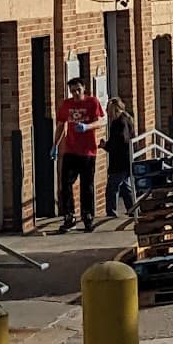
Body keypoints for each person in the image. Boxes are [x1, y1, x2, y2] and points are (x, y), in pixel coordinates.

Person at [53, 76, 106, 233]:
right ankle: (69, 217)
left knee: (86, 185)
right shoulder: (66, 105)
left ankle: (87, 216)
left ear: (84, 88)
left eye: (78, 90)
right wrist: (55, 145)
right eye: (72, 91)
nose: (75, 94)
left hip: (88, 151)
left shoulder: (92, 102)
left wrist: (87, 127)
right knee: (66, 184)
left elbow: (102, 121)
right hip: (71, 150)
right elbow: (61, 125)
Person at [102, 97, 136, 219]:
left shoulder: (118, 123)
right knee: (125, 186)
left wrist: (106, 146)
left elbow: (119, 141)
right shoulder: (127, 118)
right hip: (127, 158)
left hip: (119, 160)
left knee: (112, 187)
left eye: (109, 111)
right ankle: (132, 208)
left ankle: (111, 212)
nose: (108, 114)